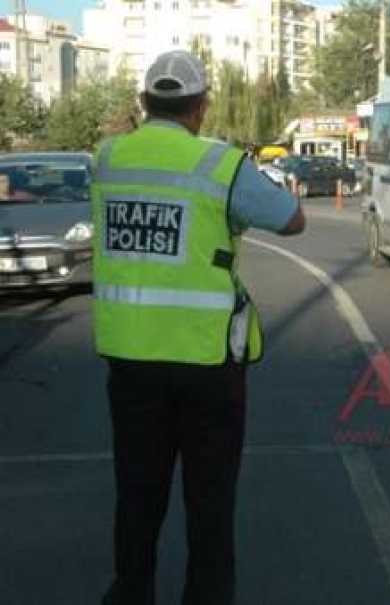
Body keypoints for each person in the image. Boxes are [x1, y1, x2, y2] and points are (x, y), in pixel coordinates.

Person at [92, 50, 305, 605]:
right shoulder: (218, 164)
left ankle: (130, 592)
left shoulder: (108, 160)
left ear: (145, 103)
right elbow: (291, 219)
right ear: (202, 107)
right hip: (207, 364)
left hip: (130, 361)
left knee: (137, 494)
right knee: (209, 502)